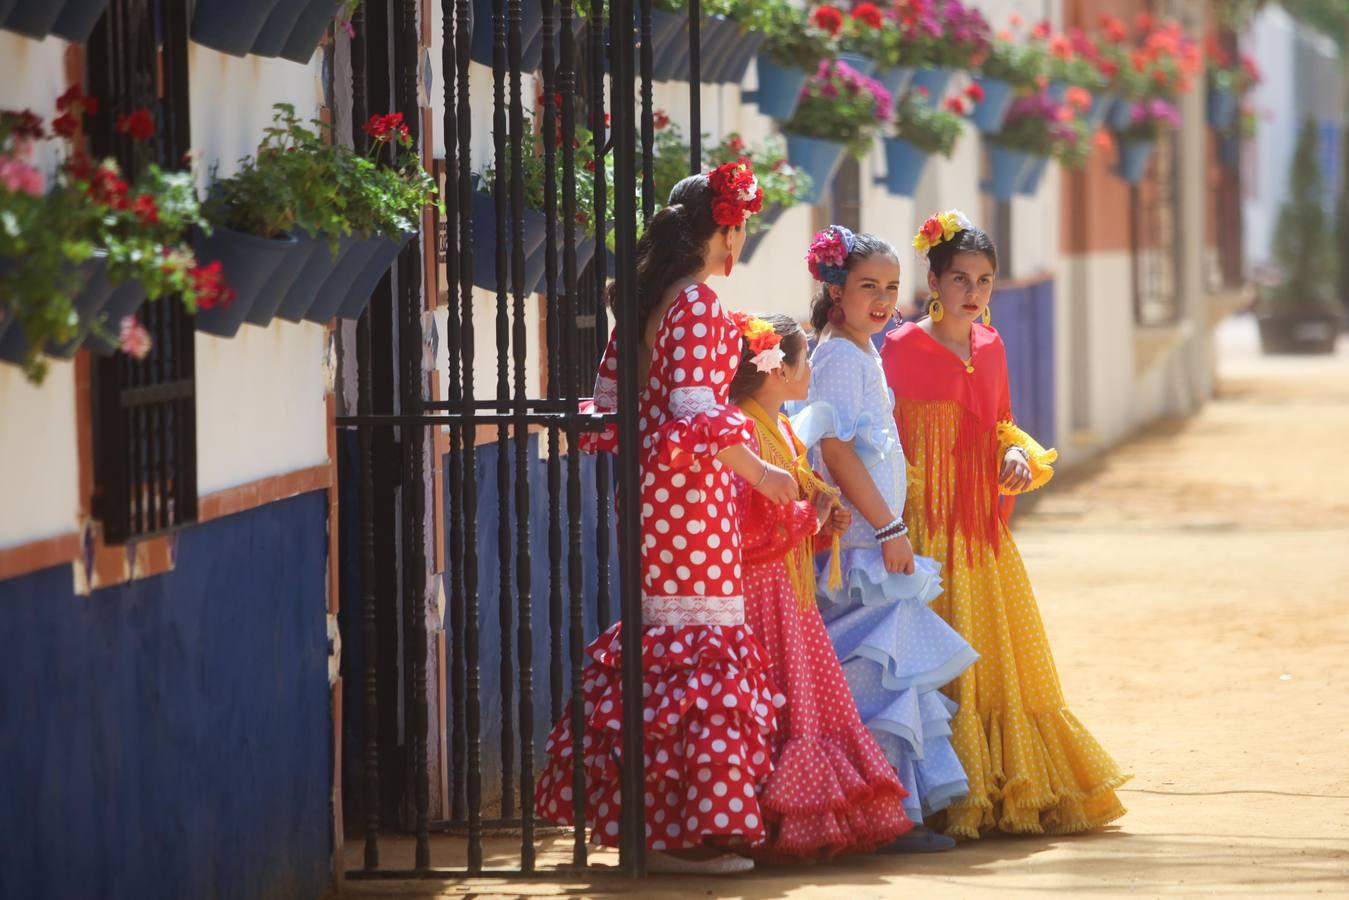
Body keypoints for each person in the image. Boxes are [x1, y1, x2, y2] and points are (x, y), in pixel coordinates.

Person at [532, 162, 798, 875]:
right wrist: (767, 476)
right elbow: (694, 410)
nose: (738, 240)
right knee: (699, 644)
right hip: (690, 501)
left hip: (650, 496)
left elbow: (612, 400)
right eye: (736, 226)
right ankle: (686, 832)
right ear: (720, 231)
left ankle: (658, 822)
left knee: (666, 643)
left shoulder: (649, 305)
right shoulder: (698, 306)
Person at [881, 210, 1130, 838]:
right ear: (933, 281)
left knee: (996, 665)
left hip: (979, 538)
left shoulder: (993, 347)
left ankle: (1000, 787)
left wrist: (1015, 452)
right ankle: (937, 796)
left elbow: (999, 423)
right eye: (960, 278)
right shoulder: (900, 348)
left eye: (985, 280)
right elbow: (879, 443)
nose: (973, 292)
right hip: (924, 533)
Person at [791, 225, 978, 853]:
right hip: (864, 546)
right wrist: (892, 527)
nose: (881, 299)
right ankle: (882, 815)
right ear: (836, 289)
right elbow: (837, 451)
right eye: (867, 286)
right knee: (876, 676)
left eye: (891, 288)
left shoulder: (863, 349)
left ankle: (895, 811)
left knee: (892, 675)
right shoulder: (840, 356)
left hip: (877, 540)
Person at [727, 312, 912, 861]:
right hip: (764, 595)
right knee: (783, 704)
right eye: (803, 358)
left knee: (802, 703)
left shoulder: (779, 427)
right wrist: (810, 518)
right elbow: (750, 520)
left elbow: (801, 497)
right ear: (777, 371)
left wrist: (821, 513)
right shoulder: (743, 431)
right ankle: (768, 823)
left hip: (791, 592)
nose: (811, 368)